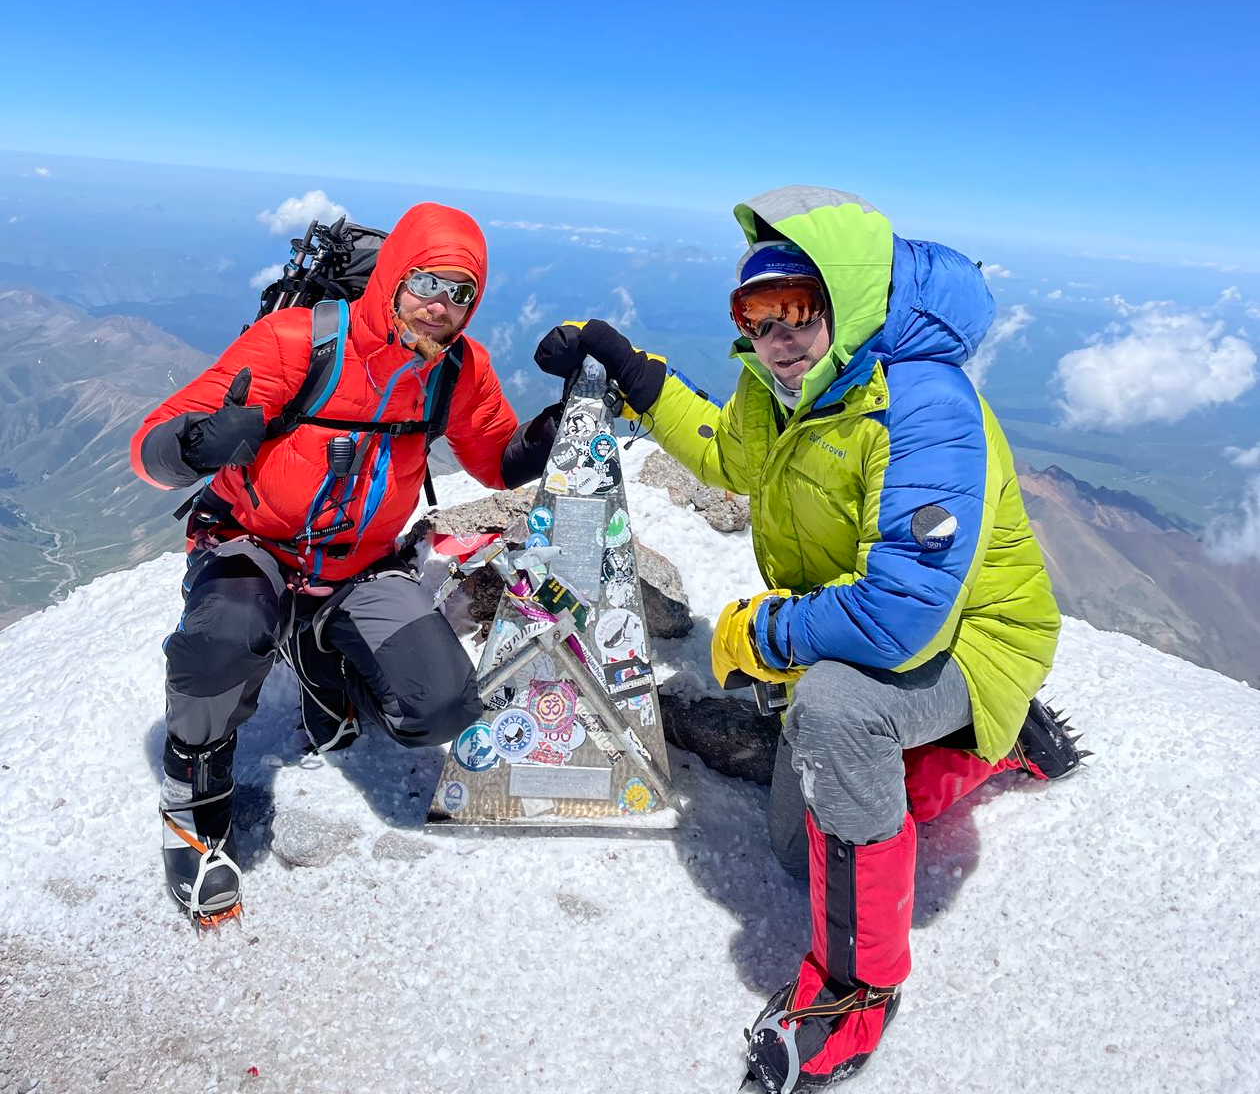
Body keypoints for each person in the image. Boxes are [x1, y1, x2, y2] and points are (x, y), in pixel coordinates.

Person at [535, 185, 1079, 1092]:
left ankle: (856, 992)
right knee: (800, 854)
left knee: (831, 710)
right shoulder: (786, 389)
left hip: (970, 638)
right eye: (755, 312)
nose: (776, 333)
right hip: (878, 638)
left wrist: (762, 633)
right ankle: (981, 751)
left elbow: (904, 613)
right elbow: (724, 453)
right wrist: (629, 366)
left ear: (849, 305)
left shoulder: (924, 406)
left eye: (797, 307)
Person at [132, 201, 558, 924]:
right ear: (393, 276)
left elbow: (497, 460)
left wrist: (559, 423)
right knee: (219, 643)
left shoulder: (456, 369)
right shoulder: (296, 345)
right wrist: (198, 445)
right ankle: (192, 800)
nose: (441, 308)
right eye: (428, 283)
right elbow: (151, 447)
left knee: (443, 705)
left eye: (462, 295)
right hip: (255, 544)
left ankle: (318, 645)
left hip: (361, 565)